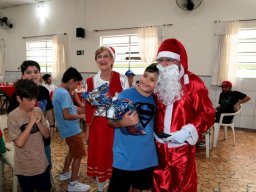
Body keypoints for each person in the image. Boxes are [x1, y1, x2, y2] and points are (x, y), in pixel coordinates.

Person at [152, 38, 215, 192]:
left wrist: (187, 132)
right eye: (161, 60)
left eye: (169, 60)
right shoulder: (155, 81)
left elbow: (208, 112)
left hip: (181, 148)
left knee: (182, 185)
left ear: (179, 61)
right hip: (158, 146)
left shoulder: (193, 82)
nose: (164, 64)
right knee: (158, 184)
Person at [107, 64, 159, 192]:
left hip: (147, 158)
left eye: (152, 79)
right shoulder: (124, 95)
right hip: (124, 158)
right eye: (145, 76)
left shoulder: (157, 101)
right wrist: (122, 122)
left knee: (138, 189)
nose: (146, 81)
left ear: (158, 84)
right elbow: (109, 121)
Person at [85, 46, 129, 192]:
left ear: (112, 60)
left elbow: (127, 104)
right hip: (98, 126)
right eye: (99, 56)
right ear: (96, 60)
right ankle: (99, 188)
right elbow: (88, 108)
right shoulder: (90, 82)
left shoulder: (122, 79)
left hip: (117, 125)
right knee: (99, 157)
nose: (102, 59)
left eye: (106, 56)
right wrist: (87, 130)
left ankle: (113, 187)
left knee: (115, 156)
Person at [7, 60, 55, 170]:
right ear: (22, 75)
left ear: (40, 74)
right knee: (30, 168)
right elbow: (12, 119)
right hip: (26, 140)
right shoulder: (17, 95)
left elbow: (49, 109)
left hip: (42, 134)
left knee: (46, 165)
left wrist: (52, 125)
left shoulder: (43, 91)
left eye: (36, 71)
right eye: (28, 72)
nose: (33, 75)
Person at [7, 79, 51, 191]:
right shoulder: (13, 117)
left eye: (35, 98)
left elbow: (46, 135)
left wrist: (39, 123)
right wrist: (31, 123)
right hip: (25, 168)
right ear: (18, 99)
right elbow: (19, 143)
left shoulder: (38, 110)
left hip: (41, 164)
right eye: (29, 99)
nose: (33, 102)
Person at [52, 67, 90, 192]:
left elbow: (65, 109)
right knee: (78, 155)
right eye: (77, 84)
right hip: (72, 130)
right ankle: (73, 184)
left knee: (72, 152)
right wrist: (82, 116)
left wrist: (74, 108)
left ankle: (64, 173)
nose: (76, 87)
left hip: (66, 129)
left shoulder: (58, 91)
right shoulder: (64, 93)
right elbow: (66, 115)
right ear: (71, 80)